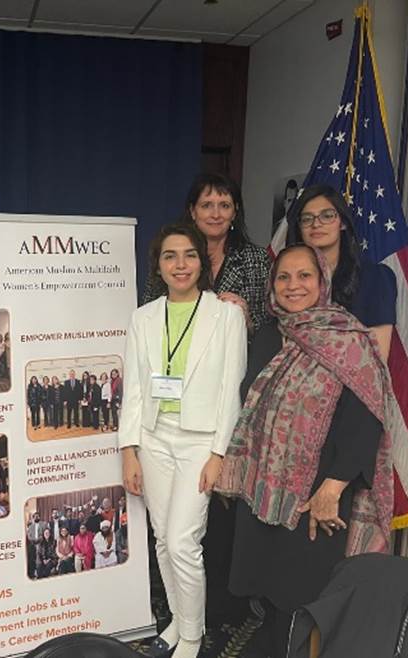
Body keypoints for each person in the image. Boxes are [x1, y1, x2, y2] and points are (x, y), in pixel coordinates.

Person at [215, 244, 393, 658]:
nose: (293, 286)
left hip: (319, 495)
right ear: (272, 286)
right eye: (283, 277)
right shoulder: (267, 335)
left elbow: (367, 419)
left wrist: (332, 489)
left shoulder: (348, 338)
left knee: (307, 598)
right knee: (273, 598)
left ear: (322, 281)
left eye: (304, 276)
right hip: (264, 490)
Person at [120, 223, 247, 658]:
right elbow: (134, 388)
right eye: (170, 256)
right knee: (160, 537)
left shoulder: (226, 315)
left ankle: (193, 636)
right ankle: (178, 621)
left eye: (189, 255)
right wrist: (128, 450)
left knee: (181, 542)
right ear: (158, 264)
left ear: (202, 261)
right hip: (153, 438)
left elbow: (232, 388)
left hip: (199, 443)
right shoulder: (144, 317)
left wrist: (217, 453)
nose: (180, 264)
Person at [141, 173, 272, 334]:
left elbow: (268, 329)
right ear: (193, 211)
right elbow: (148, 314)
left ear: (235, 212)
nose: (216, 214)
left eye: (224, 206)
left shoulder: (256, 259)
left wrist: (247, 320)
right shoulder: (170, 255)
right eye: (206, 205)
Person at [288, 183, 397, 361]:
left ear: (343, 223)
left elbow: (378, 356)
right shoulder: (289, 281)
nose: (316, 224)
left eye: (327, 216)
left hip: (355, 382)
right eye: (307, 219)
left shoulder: (376, 277)